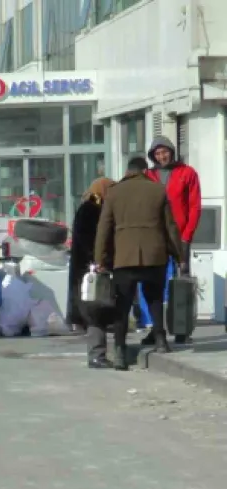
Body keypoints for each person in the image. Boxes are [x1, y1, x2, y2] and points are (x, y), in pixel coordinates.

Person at [95, 155, 184, 370]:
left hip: (124, 258)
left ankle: (119, 352)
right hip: (155, 255)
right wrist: (179, 254)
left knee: (122, 305)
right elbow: (170, 227)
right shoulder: (158, 190)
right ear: (145, 171)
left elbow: (104, 228)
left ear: (128, 171)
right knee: (154, 300)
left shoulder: (114, 192)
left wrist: (101, 259)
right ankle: (161, 341)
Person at [145, 136, 202, 345]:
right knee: (154, 283)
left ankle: (182, 327)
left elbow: (195, 206)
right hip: (156, 236)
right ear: (153, 156)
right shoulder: (148, 175)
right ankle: (156, 329)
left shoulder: (187, 173)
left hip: (180, 236)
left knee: (181, 283)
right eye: (157, 153)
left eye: (164, 152)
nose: (162, 156)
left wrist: (187, 235)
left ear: (171, 151)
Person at [69, 177, 116, 369]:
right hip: (91, 270)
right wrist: (98, 260)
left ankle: (99, 354)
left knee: (96, 311)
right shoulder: (91, 209)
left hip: (89, 267)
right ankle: (96, 355)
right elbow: (88, 240)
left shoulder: (89, 207)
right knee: (95, 311)